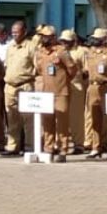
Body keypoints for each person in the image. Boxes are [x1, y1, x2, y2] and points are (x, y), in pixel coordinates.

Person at [34, 26, 76, 161]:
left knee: (62, 122)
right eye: (42, 36)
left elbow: (72, 69)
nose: (43, 39)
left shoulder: (62, 51)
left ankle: (63, 149)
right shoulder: (40, 52)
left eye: (46, 36)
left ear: (53, 37)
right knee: (47, 122)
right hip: (46, 92)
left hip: (61, 91)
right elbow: (40, 70)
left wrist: (64, 81)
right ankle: (49, 148)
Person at [81, 27, 107, 158]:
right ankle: (96, 147)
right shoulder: (90, 53)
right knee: (94, 118)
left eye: (98, 38)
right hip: (93, 87)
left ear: (104, 39)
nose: (95, 41)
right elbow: (87, 69)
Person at [2, 21, 36, 155]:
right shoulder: (10, 47)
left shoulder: (31, 47)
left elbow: (37, 67)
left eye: (17, 31)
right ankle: (12, 146)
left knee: (28, 118)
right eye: (13, 31)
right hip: (10, 87)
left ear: (25, 31)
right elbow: (7, 65)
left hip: (26, 85)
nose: (14, 34)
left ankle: (29, 146)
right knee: (11, 117)